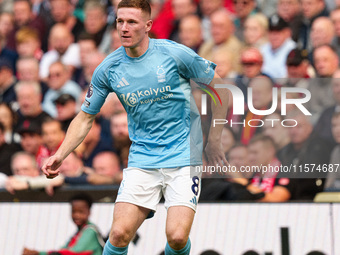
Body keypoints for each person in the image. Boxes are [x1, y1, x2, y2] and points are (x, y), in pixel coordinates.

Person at [41, 1, 229, 255]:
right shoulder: (108, 68)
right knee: (118, 234)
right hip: (143, 158)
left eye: (132, 22)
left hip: (184, 156)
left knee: (176, 237)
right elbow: (85, 117)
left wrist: (214, 140)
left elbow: (221, 90)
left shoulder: (174, 54)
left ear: (148, 25)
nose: (124, 28)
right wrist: (60, 154)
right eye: (120, 22)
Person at [23, 193, 105, 255]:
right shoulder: (79, 232)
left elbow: (71, 252)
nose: (77, 215)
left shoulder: (90, 231)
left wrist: (38, 253)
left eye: (81, 212)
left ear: (89, 212)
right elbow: (64, 249)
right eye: (74, 211)